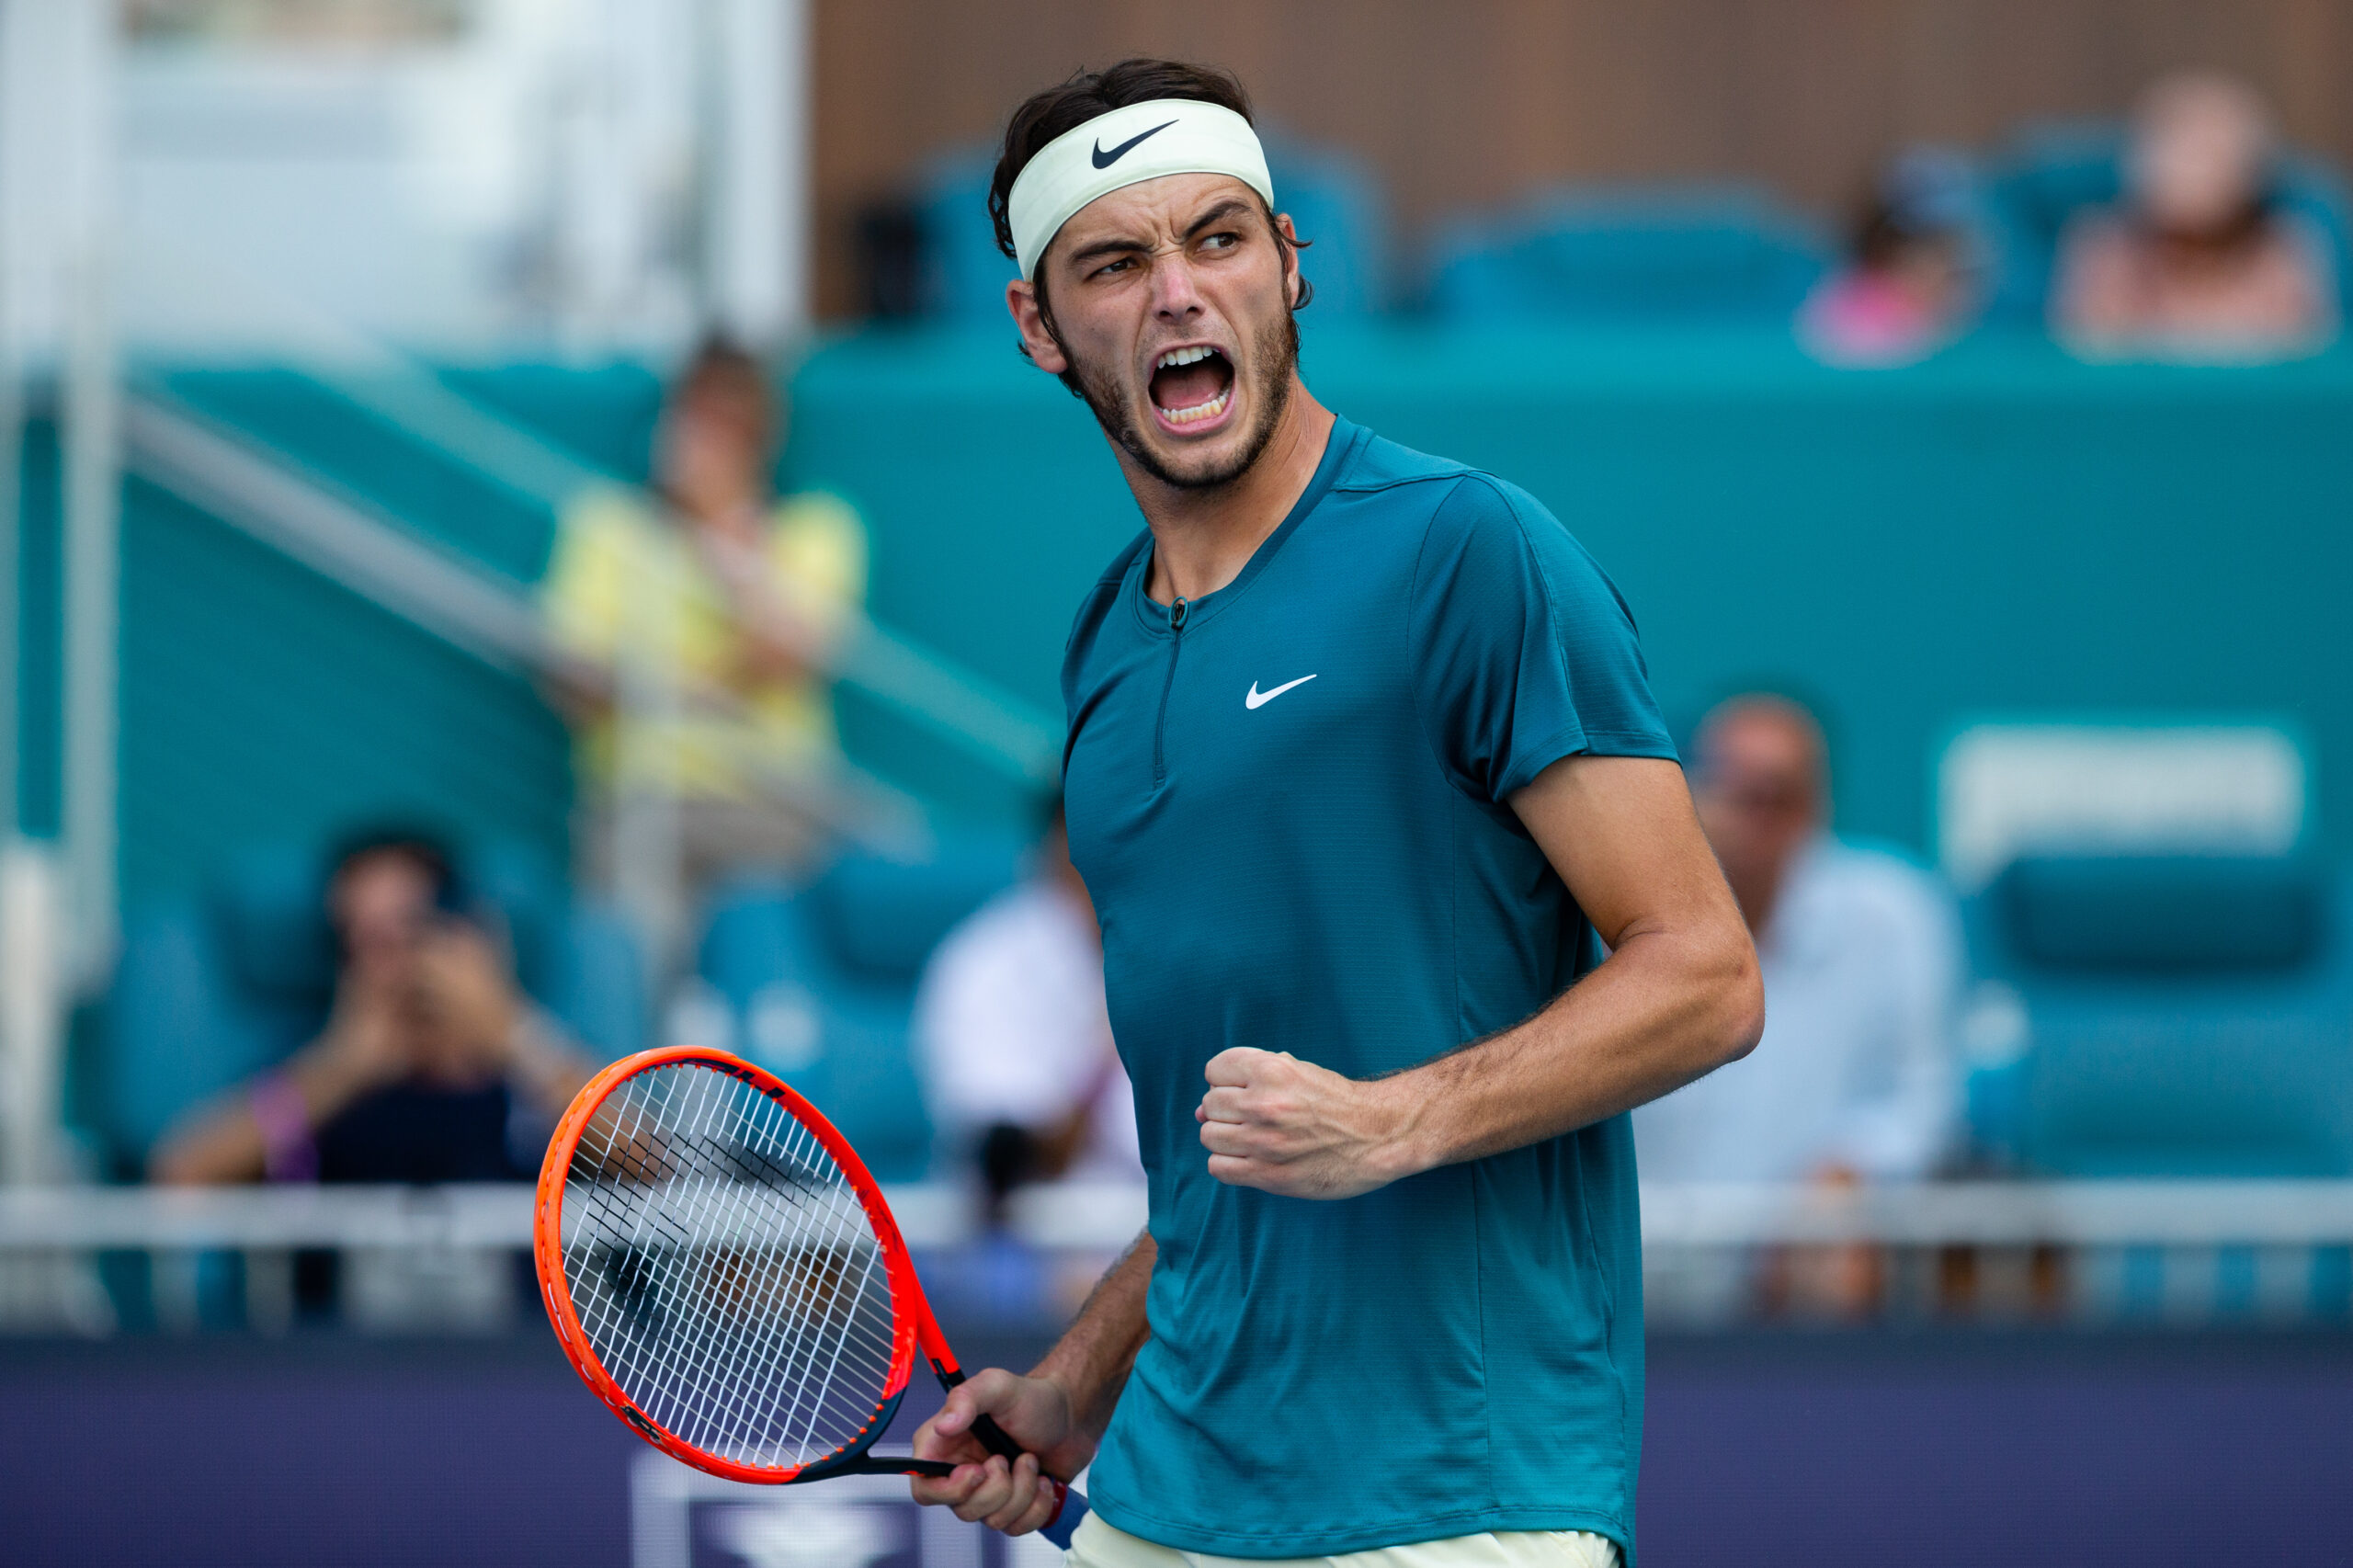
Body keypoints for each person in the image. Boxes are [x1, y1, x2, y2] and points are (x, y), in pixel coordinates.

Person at [906, 60, 1765, 1567]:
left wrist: (1398, 1119)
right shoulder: (1107, 652)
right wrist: (1070, 1384)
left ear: (1291, 266)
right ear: (1040, 327)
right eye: (1115, 262)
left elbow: (1705, 975)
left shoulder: (1470, 554)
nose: (1178, 293)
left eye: (1218, 239)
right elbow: (1223, 1160)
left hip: (1454, 1500)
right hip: (1169, 1491)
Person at [1633, 697, 1960, 1313]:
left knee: (1839, 1237)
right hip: (1638, 1270)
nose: (1748, 816)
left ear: (1814, 806)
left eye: (1774, 794)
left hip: (1801, 1277)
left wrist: (1848, 1170)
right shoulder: (1613, 916)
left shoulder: (1891, 912)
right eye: (1731, 788)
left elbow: (1922, 1102)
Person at [540, 335, 870, 924]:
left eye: (733, 424)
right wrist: (720, 679)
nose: (713, 442)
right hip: (638, 799)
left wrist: (719, 533)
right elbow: (574, 682)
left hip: (772, 801)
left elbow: (783, 654)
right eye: (700, 419)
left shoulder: (818, 527)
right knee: (633, 962)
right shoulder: (607, 523)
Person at [150, 831, 598, 1187]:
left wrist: (509, 1032)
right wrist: (340, 1068)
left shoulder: (531, 1083)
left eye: (409, 930)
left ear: (464, 935)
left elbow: (655, 1167)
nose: (390, 963)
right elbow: (181, 1172)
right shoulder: (314, 1079)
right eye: (362, 942)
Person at [914, 795, 1142, 1215]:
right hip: (1023, 1241)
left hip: (1164, 1235)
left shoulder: (1194, 953)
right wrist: (1103, 1051)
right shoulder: (984, 962)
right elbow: (1012, 1163)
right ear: (1057, 847)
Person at [2051, 73, 2338, 362]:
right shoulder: (2107, 254)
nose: (2191, 243)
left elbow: (2304, 362)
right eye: (2175, 227)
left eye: (2211, 229)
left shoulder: (2286, 256)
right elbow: (2085, 358)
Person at [1797, 148, 1984, 366]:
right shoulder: (1853, 310)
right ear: (1887, 247)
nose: (1946, 266)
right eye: (1931, 250)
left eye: (1950, 249)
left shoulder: (1951, 311)